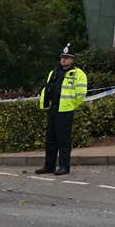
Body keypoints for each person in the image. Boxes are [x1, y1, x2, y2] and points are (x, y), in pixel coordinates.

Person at [35, 44, 88, 176]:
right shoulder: (54, 72)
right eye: (62, 57)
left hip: (65, 110)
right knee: (50, 140)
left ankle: (64, 167)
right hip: (53, 108)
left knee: (63, 140)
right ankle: (49, 166)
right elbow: (48, 88)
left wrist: (71, 105)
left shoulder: (78, 74)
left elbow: (81, 94)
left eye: (67, 57)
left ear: (72, 59)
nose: (64, 60)